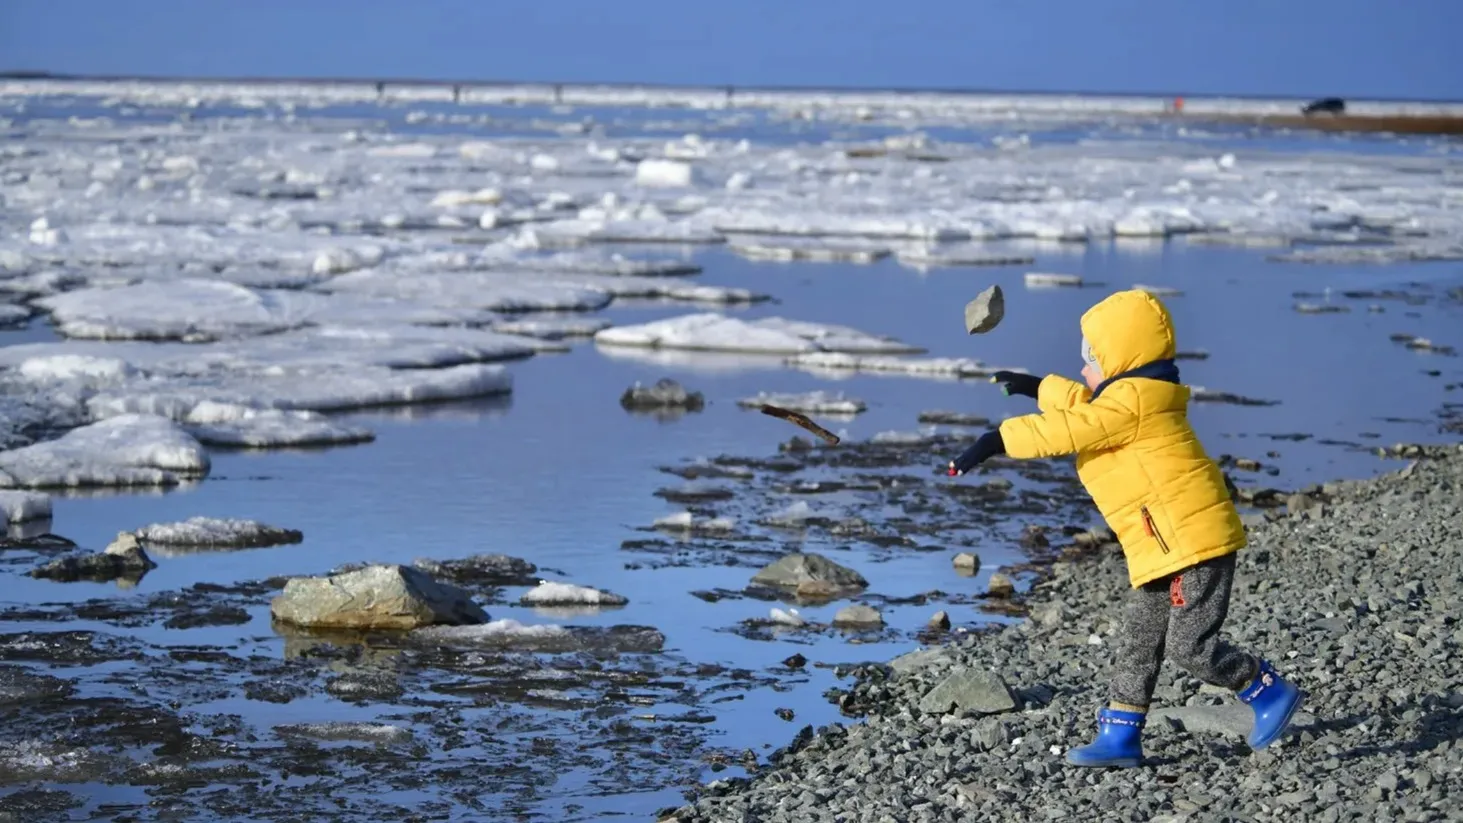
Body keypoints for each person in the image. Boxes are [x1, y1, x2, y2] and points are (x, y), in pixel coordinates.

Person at [947, 288, 1305, 768]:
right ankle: (1121, 735)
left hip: (1194, 545)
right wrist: (1037, 387)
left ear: (1120, 360)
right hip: (1162, 546)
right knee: (1139, 639)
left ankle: (1265, 689)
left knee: (1189, 646)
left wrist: (997, 439)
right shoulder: (1134, 399)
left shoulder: (1131, 405)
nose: (1083, 370)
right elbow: (1088, 406)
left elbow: (1075, 427)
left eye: (1090, 359)